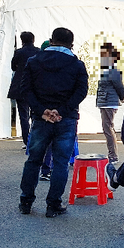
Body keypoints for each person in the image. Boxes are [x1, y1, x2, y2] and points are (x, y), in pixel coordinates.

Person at [19, 27, 88, 218]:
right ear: (71, 45)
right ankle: (53, 204)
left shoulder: (34, 62)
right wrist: (62, 111)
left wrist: (42, 111)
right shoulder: (77, 65)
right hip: (66, 119)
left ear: (51, 40)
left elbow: (25, 90)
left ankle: (26, 201)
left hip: (41, 119)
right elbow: (81, 91)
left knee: (34, 160)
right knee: (60, 163)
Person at [8, 31, 40, 149]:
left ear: (22, 40)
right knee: (37, 114)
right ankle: (37, 140)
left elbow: (13, 67)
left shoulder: (19, 52)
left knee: (23, 115)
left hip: (20, 86)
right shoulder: (39, 52)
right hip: (36, 87)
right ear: (33, 39)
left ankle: (27, 141)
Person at [96, 42, 124, 163]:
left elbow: (120, 87)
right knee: (108, 128)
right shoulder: (108, 70)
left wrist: (122, 97)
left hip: (109, 102)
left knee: (108, 128)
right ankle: (112, 154)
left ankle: (113, 155)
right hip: (106, 102)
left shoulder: (113, 70)